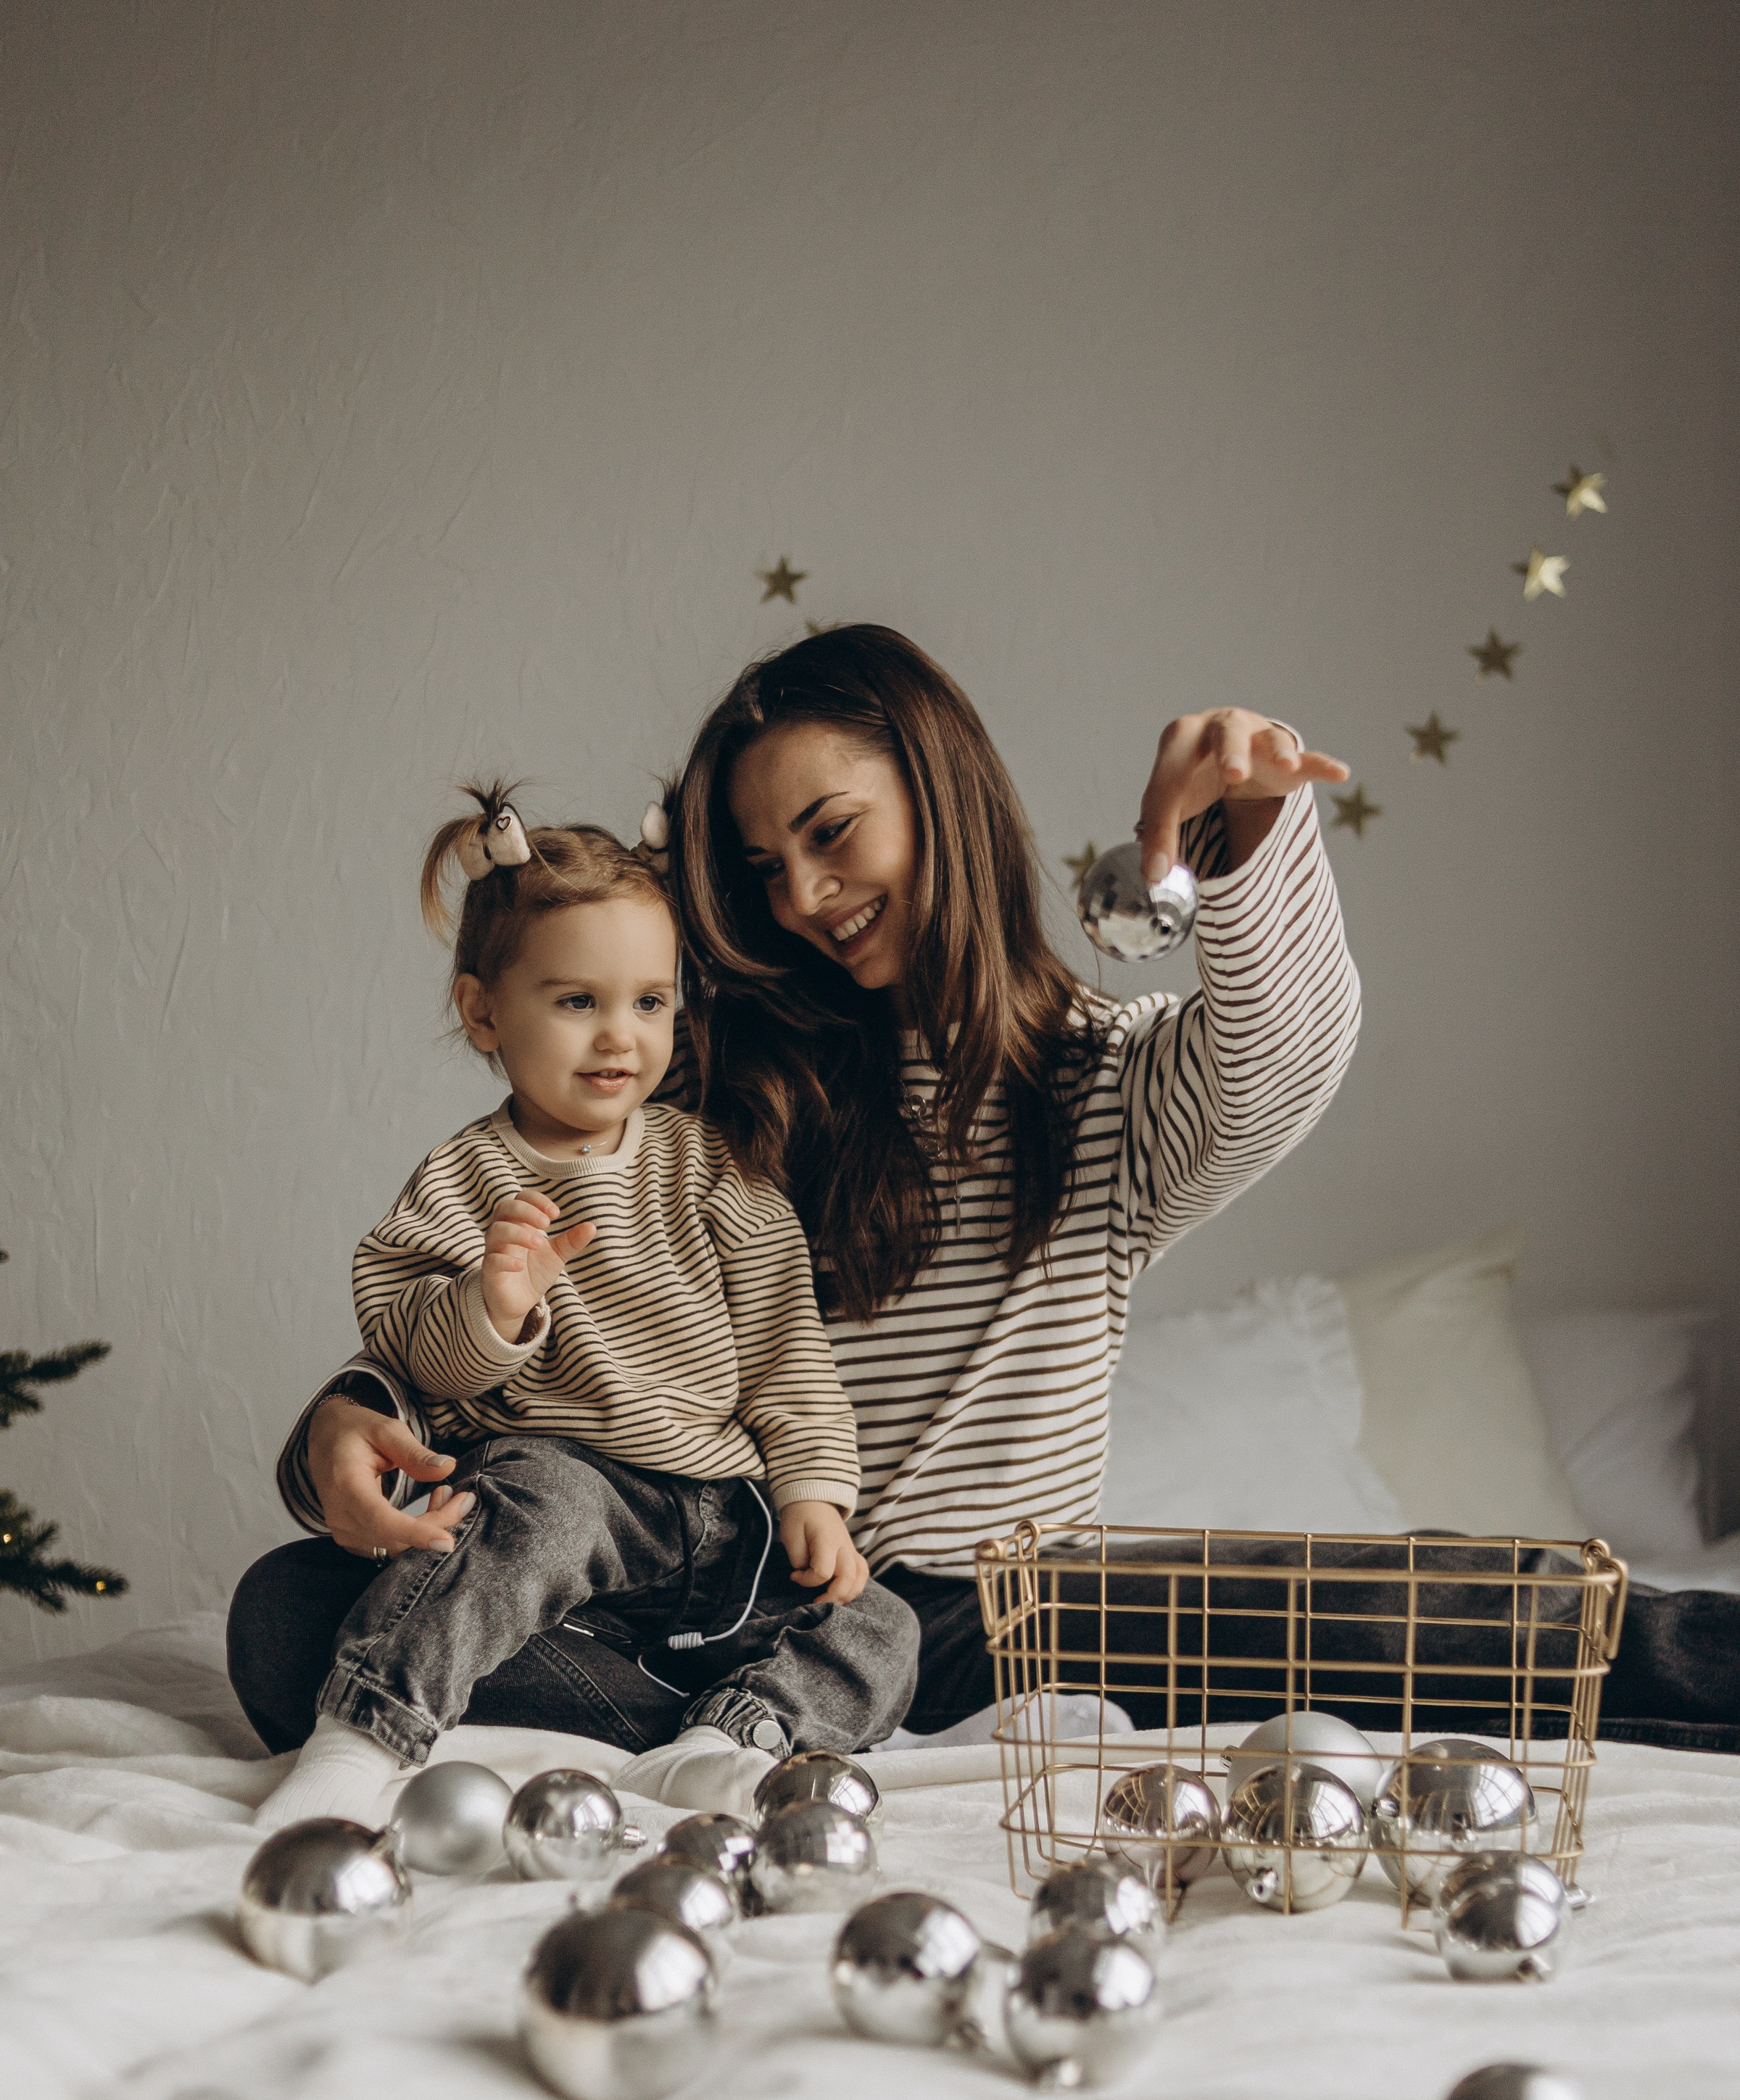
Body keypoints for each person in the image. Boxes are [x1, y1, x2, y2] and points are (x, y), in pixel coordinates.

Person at [236, 628, 1739, 1760]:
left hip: (1007, 1611)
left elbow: (1280, 1057)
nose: (807, 898)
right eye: (760, 871)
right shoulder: (698, 1107)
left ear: (938, 787)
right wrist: (345, 1418)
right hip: (722, 1594)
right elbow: (498, 1304)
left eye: (831, 833)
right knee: (289, 1618)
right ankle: (769, 1713)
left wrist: (1237, 841)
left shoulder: (1096, 1087)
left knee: (1432, 1603)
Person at [243, 784, 917, 1832]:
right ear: (483, 1012)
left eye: (651, 1003)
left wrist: (815, 1496)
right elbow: (408, 1349)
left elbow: (789, 1357)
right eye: (577, 1002)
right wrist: (490, 1305)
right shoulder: (465, 1178)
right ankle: (368, 1731)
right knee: (530, 1504)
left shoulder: (714, 1169)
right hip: (570, 1500)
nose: (621, 1038)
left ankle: (721, 1742)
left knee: (883, 1626)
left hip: (721, 1523)